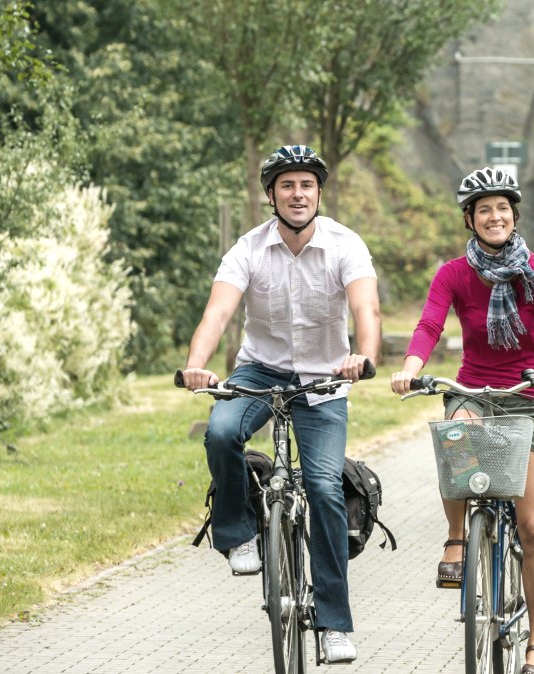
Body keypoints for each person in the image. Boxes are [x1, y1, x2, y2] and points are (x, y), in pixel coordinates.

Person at [178, 144, 380, 664]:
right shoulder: (247, 248)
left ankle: (334, 624)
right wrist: (198, 365)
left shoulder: (344, 245)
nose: (298, 194)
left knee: (324, 489)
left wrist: (364, 355)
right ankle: (237, 534)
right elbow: (218, 313)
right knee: (221, 432)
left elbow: (366, 307)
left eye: (307, 185)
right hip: (259, 371)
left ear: (318, 193)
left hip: (325, 379)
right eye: (287, 185)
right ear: (271, 195)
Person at [390, 167, 534, 674]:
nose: (494, 216)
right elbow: (430, 323)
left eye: (502, 208)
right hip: (476, 389)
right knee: (454, 430)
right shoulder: (453, 274)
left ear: (514, 215)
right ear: (470, 220)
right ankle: (457, 538)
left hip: (532, 393)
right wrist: (411, 370)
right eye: (484, 210)